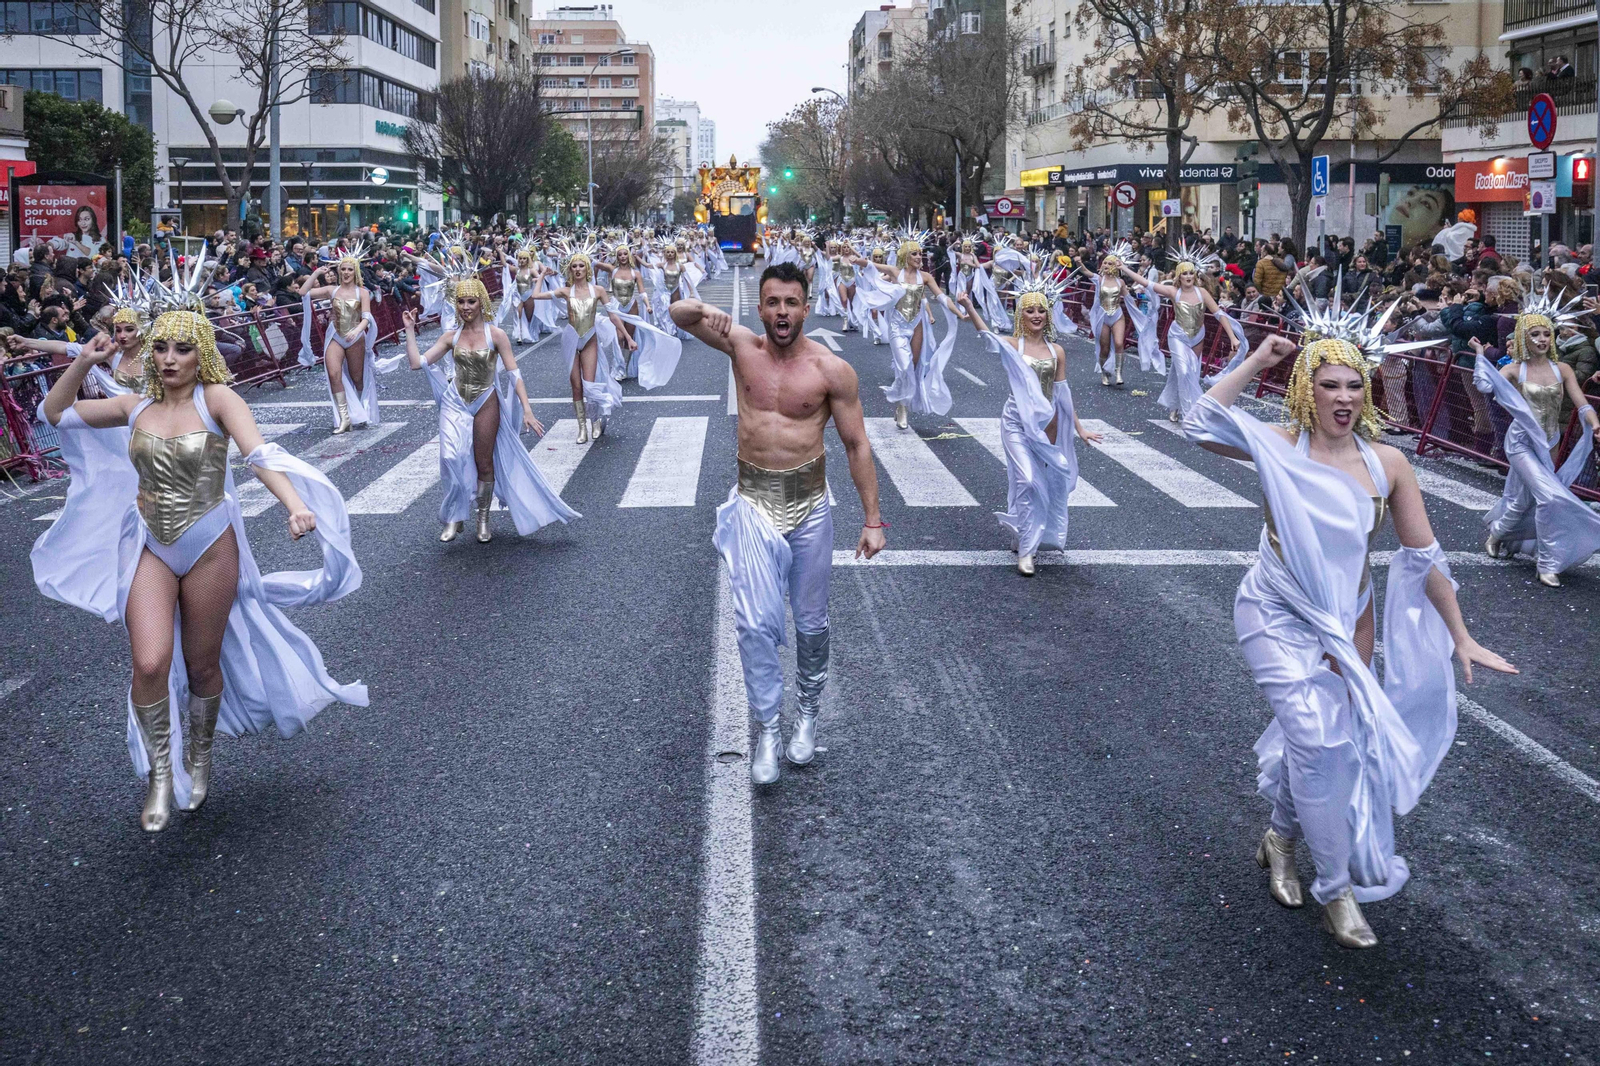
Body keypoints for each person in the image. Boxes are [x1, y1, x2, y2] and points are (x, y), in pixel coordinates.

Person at [1185, 307, 1515, 949]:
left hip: (1349, 621)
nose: (1344, 397)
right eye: (1330, 384)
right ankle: (1336, 889)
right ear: (1308, 389)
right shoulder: (1280, 445)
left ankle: (1280, 838)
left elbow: (1423, 558)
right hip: (1276, 610)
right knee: (1314, 735)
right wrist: (1258, 358)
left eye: (1355, 384)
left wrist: (1462, 635)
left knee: (1325, 740)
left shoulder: (1388, 463)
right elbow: (1198, 423)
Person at [33, 248, 367, 831]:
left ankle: (201, 752)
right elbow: (54, 413)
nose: (168, 359)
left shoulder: (219, 401)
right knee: (150, 659)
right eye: (160, 347)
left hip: (212, 547)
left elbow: (260, 454)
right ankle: (163, 774)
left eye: (181, 348)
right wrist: (83, 362)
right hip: (150, 548)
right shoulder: (132, 407)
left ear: (201, 352)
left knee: (203, 664)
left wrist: (294, 506)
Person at [670, 262, 886, 785]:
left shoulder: (831, 370)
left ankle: (807, 715)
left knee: (810, 624)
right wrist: (705, 308)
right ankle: (768, 728)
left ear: (806, 308)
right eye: (773, 303)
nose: (782, 312)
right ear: (761, 307)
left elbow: (857, 444)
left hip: (810, 507)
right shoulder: (741, 346)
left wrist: (873, 520)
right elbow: (677, 314)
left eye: (791, 303)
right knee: (754, 625)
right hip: (753, 505)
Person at [397, 276, 578, 544]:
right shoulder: (450, 337)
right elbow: (417, 363)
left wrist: (527, 410)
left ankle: (482, 518)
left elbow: (514, 374)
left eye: (471, 301)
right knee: (451, 457)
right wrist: (410, 330)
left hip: (485, 400)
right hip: (455, 401)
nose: (466, 307)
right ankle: (455, 516)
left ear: (482, 303)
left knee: (484, 462)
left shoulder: (497, 335)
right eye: (461, 301)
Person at [956, 279, 1102, 575]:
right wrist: (969, 306)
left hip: (1048, 424)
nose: (1036, 315)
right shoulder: (1013, 345)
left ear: (1048, 316)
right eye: (1030, 311)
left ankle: (1025, 532)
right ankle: (1026, 550)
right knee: (1027, 480)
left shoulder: (1057, 351)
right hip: (1016, 422)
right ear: (1020, 316)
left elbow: (1062, 393)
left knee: (1044, 482)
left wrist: (1078, 428)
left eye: (1041, 311)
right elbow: (986, 334)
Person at [1471, 289, 1600, 586]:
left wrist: (1594, 425)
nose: (1542, 339)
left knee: (1520, 501)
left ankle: (1497, 534)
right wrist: (1480, 356)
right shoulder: (1514, 369)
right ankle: (1548, 563)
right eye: (1535, 334)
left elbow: (1582, 403)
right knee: (1549, 497)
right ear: (1523, 338)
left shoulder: (1563, 368)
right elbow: (1484, 386)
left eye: (1546, 334)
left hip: (1551, 443)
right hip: (1520, 443)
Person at [850, 234, 960, 430]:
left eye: (921, 254)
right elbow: (873, 266)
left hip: (917, 325)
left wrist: (959, 312)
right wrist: (857, 259)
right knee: (904, 365)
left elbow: (942, 297)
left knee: (914, 366)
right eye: (915, 254)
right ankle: (902, 406)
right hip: (897, 326)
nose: (920, 257)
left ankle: (903, 405)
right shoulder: (895, 272)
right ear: (905, 256)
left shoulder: (925, 277)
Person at [293, 244, 378, 434]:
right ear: (339, 271)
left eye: (350, 269)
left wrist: (357, 331)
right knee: (333, 374)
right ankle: (344, 418)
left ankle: (361, 410)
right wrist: (315, 274)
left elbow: (367, 317)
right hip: (335, 335)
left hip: (355, 337)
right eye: (343, 269)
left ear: (355, 272)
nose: (346, 272)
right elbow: (303, 293)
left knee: (358, 378)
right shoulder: (331, 289)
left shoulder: (362, 292)